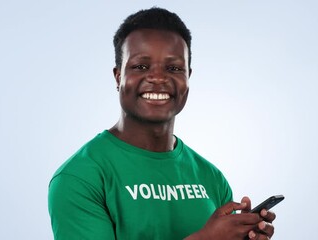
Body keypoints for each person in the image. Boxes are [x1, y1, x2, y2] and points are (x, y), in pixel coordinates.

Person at [48, 7, 277, 240]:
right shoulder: (79, 177)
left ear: (188, 77)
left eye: (174, 68)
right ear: (118, 77)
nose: (158, 78)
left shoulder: (211, 177)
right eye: (141, 66)